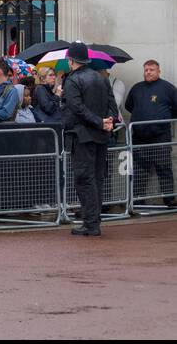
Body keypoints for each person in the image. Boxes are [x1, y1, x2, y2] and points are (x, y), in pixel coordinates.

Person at [62, 41, 119, 236]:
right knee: (96, 179)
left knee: (85, 179)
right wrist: (109, 121)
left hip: (83, 135)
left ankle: (91, 223)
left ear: (71, 61)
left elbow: (77, 108)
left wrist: (99, 122)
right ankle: (93, 221)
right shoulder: (101, 77)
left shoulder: (72, 80)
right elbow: (112, 104)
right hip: (100, 135)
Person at [125, 59, 177, 208]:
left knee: (164, 168)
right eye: (146, 70)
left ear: (158, 71)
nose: (148, 72)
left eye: (151, 70)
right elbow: (129, 106)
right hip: (139, 138)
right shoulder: (136, 88)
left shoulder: (168, 88)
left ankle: (169, 199)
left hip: (160, 137)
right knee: (140, 170)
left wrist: (162, 119)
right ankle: (138, 200)